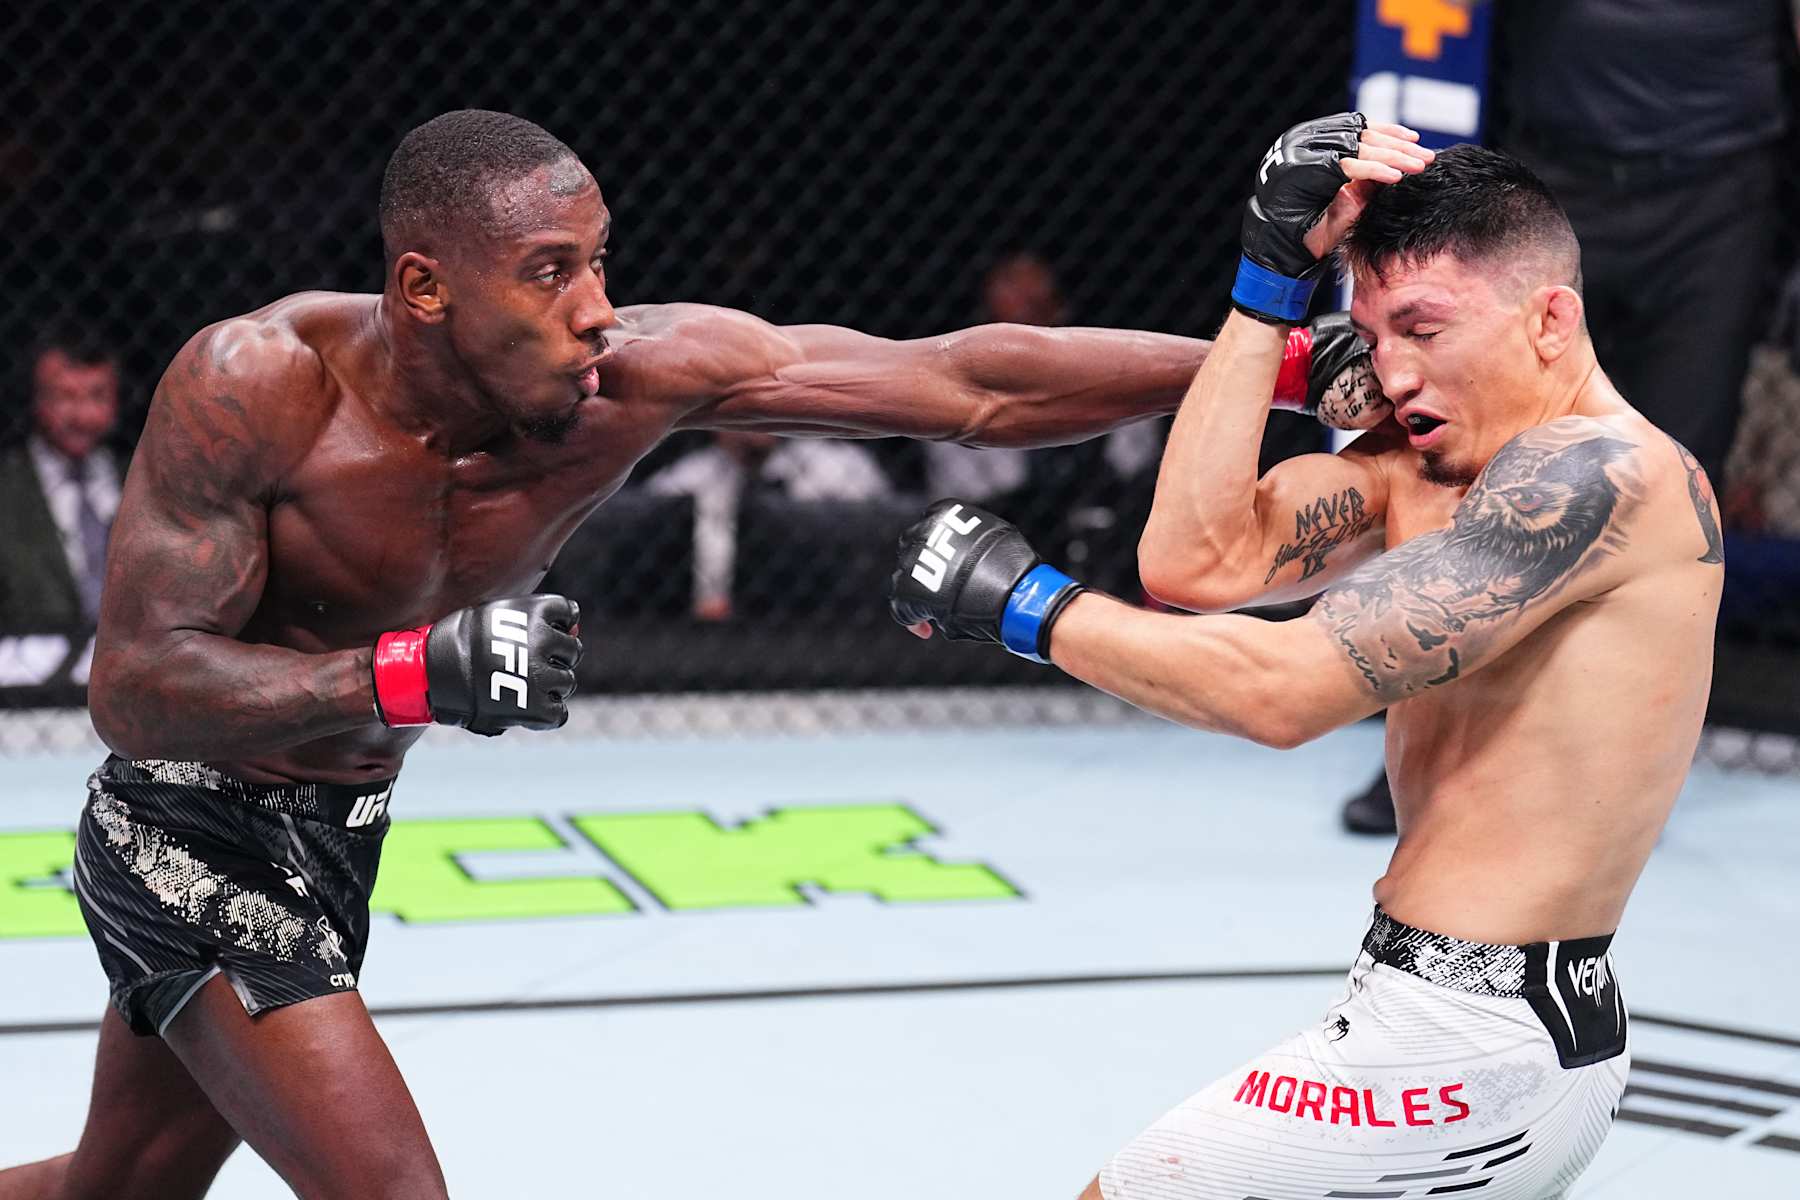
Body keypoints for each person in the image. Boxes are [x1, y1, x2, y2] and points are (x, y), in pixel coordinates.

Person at [0, 110, 1374, 1200]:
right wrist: (410, 674)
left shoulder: (625, 382)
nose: (597, 305)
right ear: (424, 287)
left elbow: (971, 382)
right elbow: (135, 686)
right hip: (187, 835)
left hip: (340, 827)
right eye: (549, 273)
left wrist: (1283, 366)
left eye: (598, 260)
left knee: (110, 1191)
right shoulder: (259, 385)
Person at [887, 115, 1721, 1198]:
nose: (1393, 370)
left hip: (1461, 1043)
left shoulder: (1601, 479)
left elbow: (1283, 692)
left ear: (1549, 321)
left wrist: (1023, 604)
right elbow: (1194, 558)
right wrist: (1267, 288)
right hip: (1482, 1017)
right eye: (1374, 335)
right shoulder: (1425, 474)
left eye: (1425, 326)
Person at [1340, 0, 1795, 833]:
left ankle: (1612, 764)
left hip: (1718, 195)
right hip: (1557, 182)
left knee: (1677, 472)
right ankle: (1431, 733)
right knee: (1490, 454)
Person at [644, 429, 893, 620]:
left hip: (833, 613)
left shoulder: (837, 468)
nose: (751, 421)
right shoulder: (688, 479)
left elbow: (880, 541)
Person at [0, 332, 126, 633]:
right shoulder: (7, 488)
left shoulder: (139, 475)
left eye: (97, 395)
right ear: (37, 399)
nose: (82, 415)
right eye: (65, 397)